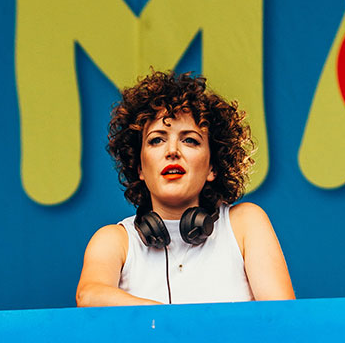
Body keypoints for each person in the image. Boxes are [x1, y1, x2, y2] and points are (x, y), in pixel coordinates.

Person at [76, 71, 294, 306]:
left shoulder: (245, 224)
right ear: (140, 167)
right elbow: (88, 295)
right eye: (157, 140)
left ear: (212, 167)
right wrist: (166, 319)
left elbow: (283, 316)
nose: (172, 151)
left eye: (190, 140)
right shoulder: (114, 240)